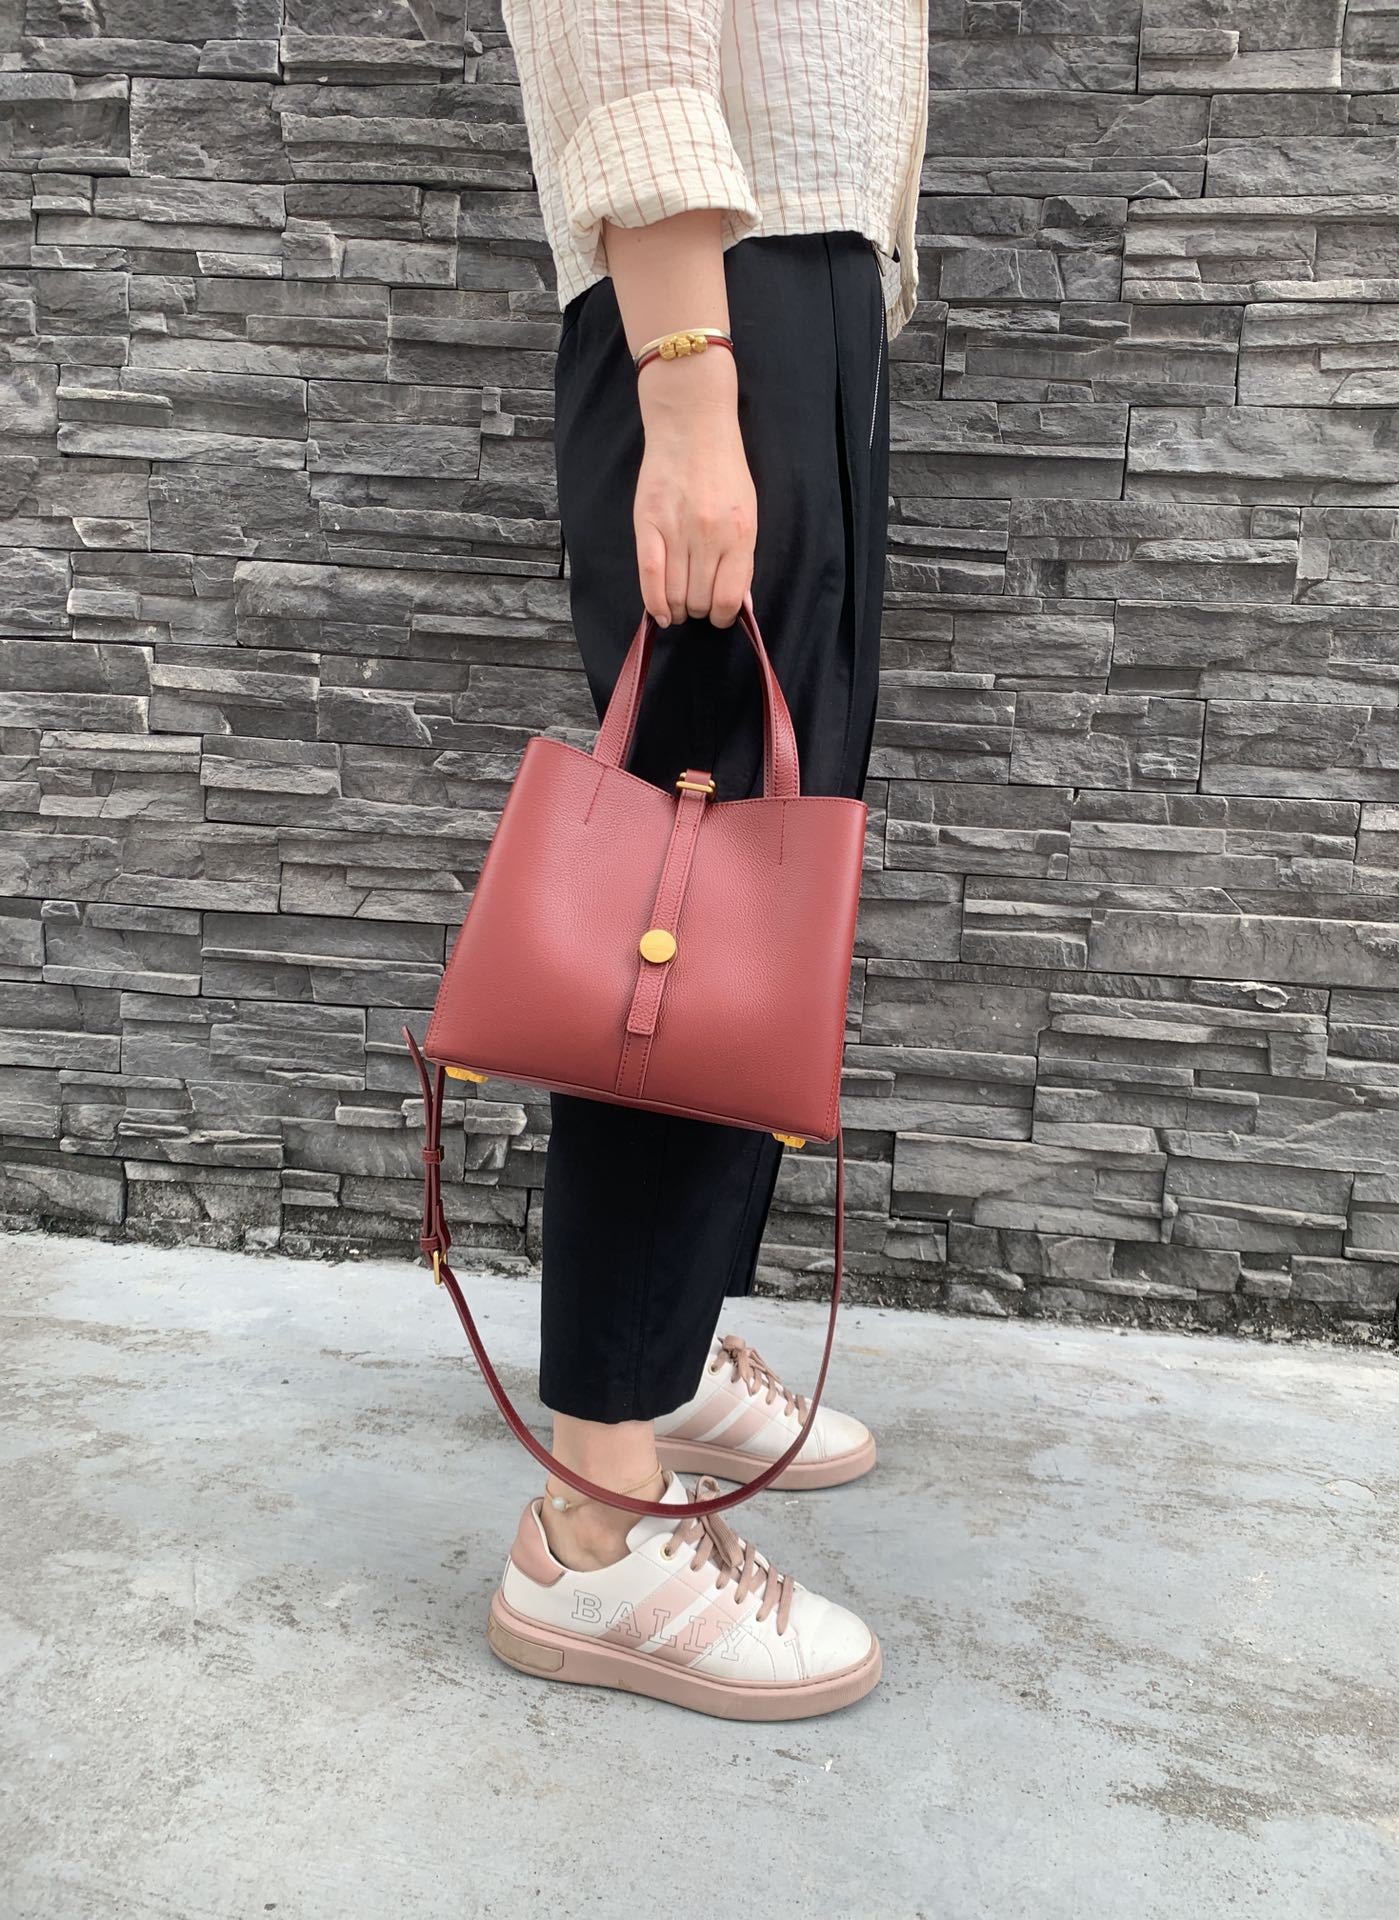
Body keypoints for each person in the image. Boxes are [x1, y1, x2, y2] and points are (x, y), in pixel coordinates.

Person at [484, 0, 929, 1720]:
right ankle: (595, 1525)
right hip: (711, 303)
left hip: (792, 291)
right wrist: (688, 375)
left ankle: (657, 1365)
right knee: (686, 888)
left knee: (757, 884)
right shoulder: (700, 331)